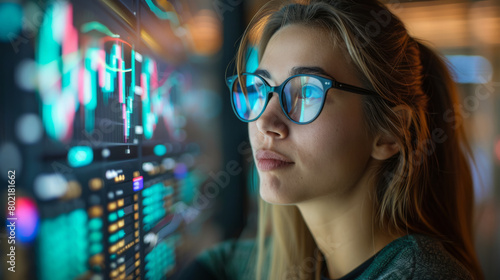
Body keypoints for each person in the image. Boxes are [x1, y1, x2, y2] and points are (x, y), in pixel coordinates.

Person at [179, 0, 483, 279]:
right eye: (263, 88)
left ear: (389, 132)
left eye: (308, 91)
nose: (265, 122)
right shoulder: (271, 262)